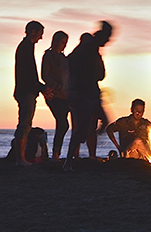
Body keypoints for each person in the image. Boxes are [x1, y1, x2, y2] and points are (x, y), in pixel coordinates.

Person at [64, 21, 113, 171]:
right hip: (84, 94)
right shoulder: (89, 47)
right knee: (82, 129)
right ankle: (68, 161)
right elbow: (71, 64)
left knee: (104, 121)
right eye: (108, 37)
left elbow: (101, 74)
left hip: (90, 93)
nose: (109, 41)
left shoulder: (93, 49)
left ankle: (84, 141)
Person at [13, 20, 52, 166]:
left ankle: (21, 158)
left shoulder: (26, 47)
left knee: (25, 123)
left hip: (26, 90)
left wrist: (40, 88)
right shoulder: (25, 48)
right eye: (40, 34)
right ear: (33, 32)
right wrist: (40, 87)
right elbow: (29, 74)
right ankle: (20, 159)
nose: (41, 38)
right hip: (26, 91)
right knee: (24, 124)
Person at [41, 31, 71, 161]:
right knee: (63, 123)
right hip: (54, 94)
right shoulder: (48, 55)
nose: (63, 45)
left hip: (66, 95)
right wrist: (56, 85)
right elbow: (44, 75)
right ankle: (55, 154)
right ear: (56, 41)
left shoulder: (64, 59)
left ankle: (58, 154)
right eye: (62, 42)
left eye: (65, 43)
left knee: (63, 124)